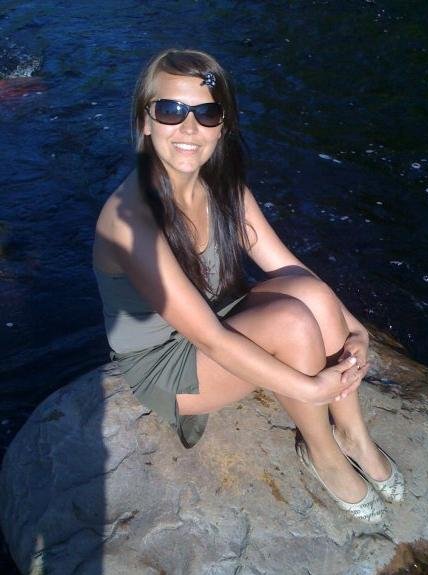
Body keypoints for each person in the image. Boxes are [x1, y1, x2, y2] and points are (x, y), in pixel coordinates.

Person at [93, 48, 404, 523]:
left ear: (223, 125)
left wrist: (356, 330)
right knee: (292, 322)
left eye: (206, 113)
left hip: (215, 315)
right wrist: (308, 387)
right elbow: (210, 339)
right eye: (171, 110)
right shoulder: (130, 218)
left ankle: (352, 434)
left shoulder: (224, 188)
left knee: (312, 293)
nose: (189, 128)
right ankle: (322, 453)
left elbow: (288, 267)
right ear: (145, 122)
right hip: (168, 363)